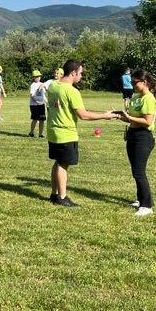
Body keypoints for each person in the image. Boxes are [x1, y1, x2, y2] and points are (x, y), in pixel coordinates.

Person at [46, 59, 117, 207]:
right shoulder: (72, 91)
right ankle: (62, 197)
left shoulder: (53, 85)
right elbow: (83, 115)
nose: (81, 76)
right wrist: (105, 115)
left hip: (53, 131)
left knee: (58, 162)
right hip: (66, 133)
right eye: (80, 73)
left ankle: (54, 194)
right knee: (63, 165)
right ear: (73, 73)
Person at [117, 70, 156, 216]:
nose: (132, 85)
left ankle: (147, 205)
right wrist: (119, 116)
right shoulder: (135, 98)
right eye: (131, 82)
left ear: (144, 82)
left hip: (143, 137)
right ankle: (140, 199)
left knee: (139, 171)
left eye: (135, 82)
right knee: (136, 171)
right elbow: (131, 118)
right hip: (132, 135)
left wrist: (129, 118)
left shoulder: (148, 99)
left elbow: (147, 122)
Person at [28, 69, 46, 138]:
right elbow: (32, 95)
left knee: (42, 119)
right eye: (36, 76)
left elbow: (43, 95)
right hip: (34, 105)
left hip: (41, 105)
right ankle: (31, 132)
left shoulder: (42, 84)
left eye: (39, 76)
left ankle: (40, 134)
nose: (38, 77)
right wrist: (37, 102)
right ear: (33, 77)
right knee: (35, 119)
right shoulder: (33, 85)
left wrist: (46, 102)